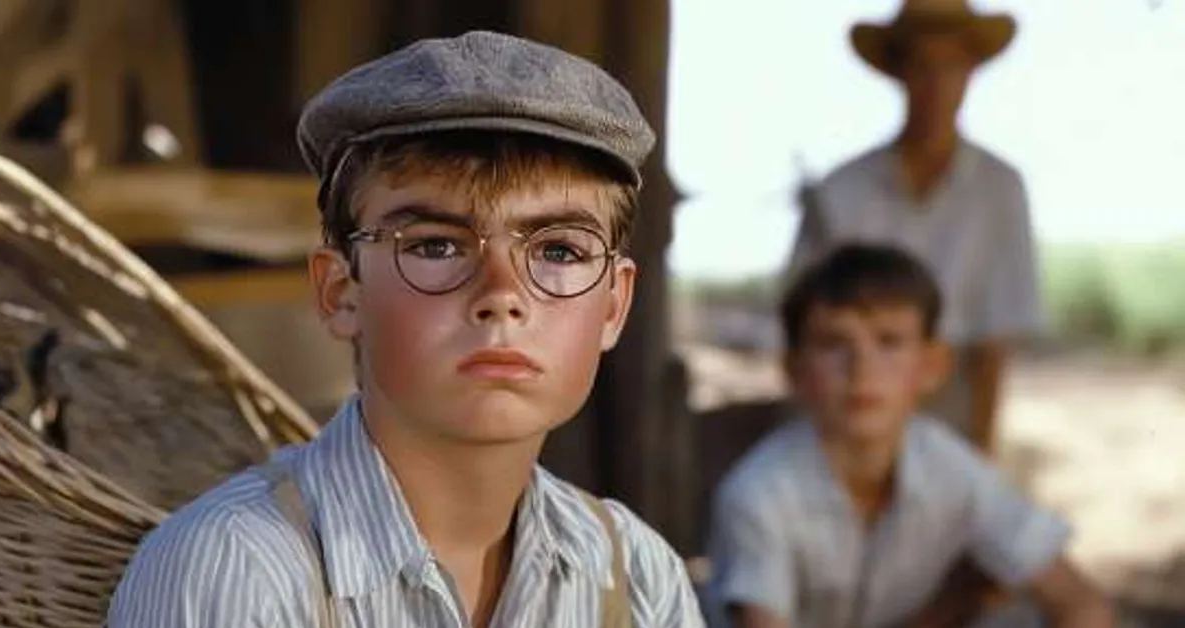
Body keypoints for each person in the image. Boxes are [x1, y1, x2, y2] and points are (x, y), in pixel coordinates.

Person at [108, 30, 703, 627]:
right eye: (436, 245)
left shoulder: (635, 576)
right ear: (341, 293)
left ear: (613, 306)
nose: (501, 295)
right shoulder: (235, 571)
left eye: (561, 252)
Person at [706, 243, 1115, 628]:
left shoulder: (950, 467)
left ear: (933, 365)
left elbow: (1079, 601)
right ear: (794, 369)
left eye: (890, 342)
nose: (861, 369)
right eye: (834, 344)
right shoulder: (759, 494)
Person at [787, 0, 1042, 454]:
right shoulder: (842, 191)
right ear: (900, 73)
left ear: (971, 72)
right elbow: (802, 329)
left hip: (954, 422)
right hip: (849, 414)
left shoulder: (1000, 188)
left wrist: (979, 457)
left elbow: (993, 347)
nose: (937, 84)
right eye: (922, 66)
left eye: (951, 66)